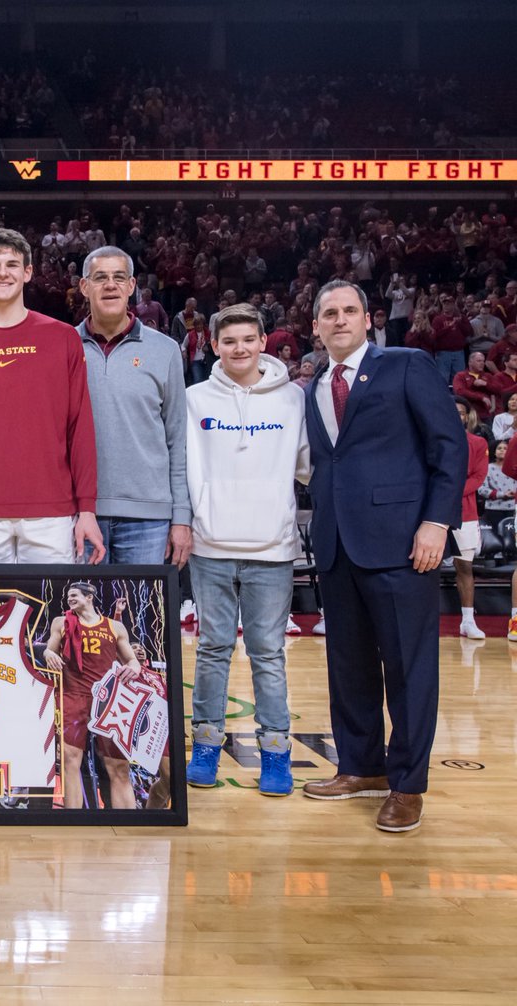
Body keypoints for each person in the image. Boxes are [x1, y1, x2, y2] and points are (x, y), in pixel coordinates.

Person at [302, 280, 467, 832]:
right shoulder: (314, 386)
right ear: (317, 326)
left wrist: (436, 522)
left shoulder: (406, 364)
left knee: (408, 667)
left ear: (369, 319)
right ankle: (361, 765)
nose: (341, 319)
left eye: (350, 310)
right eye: (330, 313)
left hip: (403, 542)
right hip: (336, 544)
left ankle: (407, 784)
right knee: (347, 665)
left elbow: (449, 448)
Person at [183, 303, 312, 796]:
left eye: (248, 339)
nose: (240, 348)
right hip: (211, 544)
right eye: (229, 340)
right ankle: (207, 748)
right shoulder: (196, 399)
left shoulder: (292, 400)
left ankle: (276, 754)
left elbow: (307, 467)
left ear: (264, 342)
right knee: (212, 651)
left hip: (272, 547)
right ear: (214, 345)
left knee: (268, 655)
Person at [0, 228, 103, 565]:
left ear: (28, 273)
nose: (3, 272)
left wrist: (87, 510)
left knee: (53, 618)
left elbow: (79, 427)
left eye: (12, 264)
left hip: (52, 513)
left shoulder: (63, 338)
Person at [75, 246, 191, 568]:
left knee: (140, 619)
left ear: (131, 286)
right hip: (82, 514)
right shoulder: (64, 347)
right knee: (82, 617)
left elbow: (177, 439)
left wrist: (181, 516)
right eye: (100, 278)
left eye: (118, 277)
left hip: (148, 519)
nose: (110, 285)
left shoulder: (165, 350)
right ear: (84, 287)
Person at [44, 582, 140, 809]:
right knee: (69, 760)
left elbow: (132, 660)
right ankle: (74, 820)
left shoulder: (115, 626)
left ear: (89, 597)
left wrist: (134, 667)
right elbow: (49, 648)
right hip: (73, 694)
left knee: (118, 766)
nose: (70, 599)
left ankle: (127, 824)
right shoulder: (61, 622)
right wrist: (49, 653)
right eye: (68, 596)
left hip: (108, 700)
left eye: (74, 595)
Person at [449, 398, 490, 640]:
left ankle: (467, 620)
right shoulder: (430, 439)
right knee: (423, 566)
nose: (456, 416)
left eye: (461, 413)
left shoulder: (478, 442)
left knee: (464, 566)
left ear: (467, 417)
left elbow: (478, 477)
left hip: (465, 511)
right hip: (432, 511)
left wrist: (449, 492)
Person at [479, 438, 516, 531]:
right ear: (494, 452)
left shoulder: (514, 467)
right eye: (499, 448)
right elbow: (481, 489)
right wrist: (501, 494)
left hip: (513, 509)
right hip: (494, 509)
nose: (502, 450)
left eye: (505, 448)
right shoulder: (487, 468)